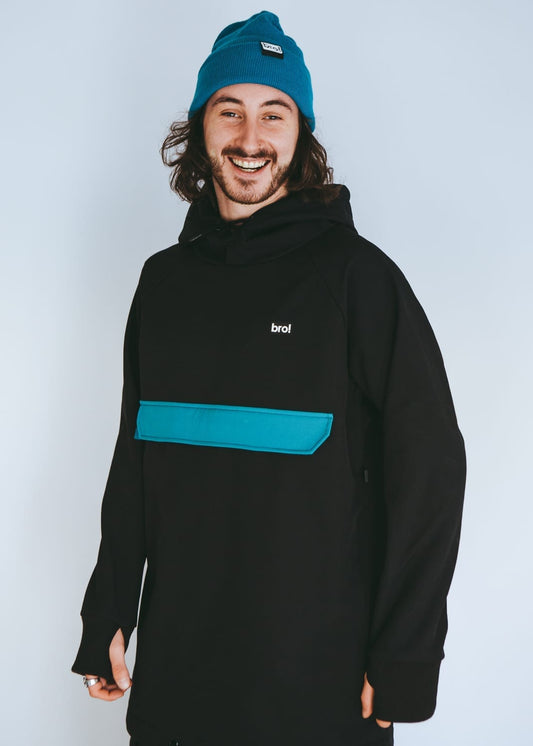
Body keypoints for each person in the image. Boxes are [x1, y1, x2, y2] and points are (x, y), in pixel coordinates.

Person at [71, 11, 467, 746]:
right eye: (229, 111)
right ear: (200, 127)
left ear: (300, 134)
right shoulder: (164, 284)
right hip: (178, 681)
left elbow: (431, 471)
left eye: (273, 114)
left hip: (320, 687)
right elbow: (136, 460)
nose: (250, 138)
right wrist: (109, 612)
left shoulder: (356, 279)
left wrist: (407, 654)